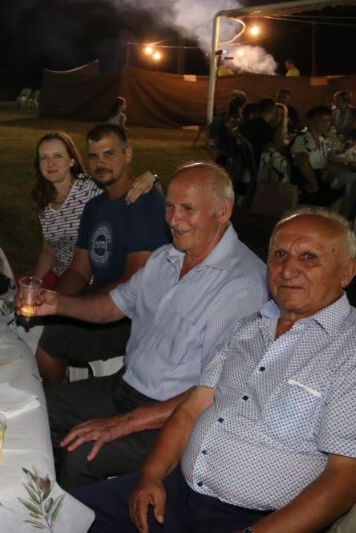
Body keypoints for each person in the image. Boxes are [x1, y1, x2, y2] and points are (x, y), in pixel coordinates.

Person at [74, 208, 356, 533]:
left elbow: (345, 478)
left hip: (254, 521)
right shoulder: (249, 328)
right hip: (177, 492)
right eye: (280, 254)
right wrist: (151, 476)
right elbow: (190, 410)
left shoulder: (347, 350)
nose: (288, 269)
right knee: (59, 515)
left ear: (346, 272)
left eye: (309, 257)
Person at [25, 162, 268, 489]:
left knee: (82, 455)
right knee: (36, 409)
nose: (174, 219)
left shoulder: (243, 286)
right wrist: (58, 303)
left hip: (172, 416)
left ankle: (79, 508)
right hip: (124, 386)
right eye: (169, 207)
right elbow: (112, 306)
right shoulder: (165, 258)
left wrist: (123, 423)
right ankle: (39, 496)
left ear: (222, 211)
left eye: (187, 209)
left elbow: (217, 392)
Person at [33, 126, 168, 386]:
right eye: (93, 156)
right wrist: (52, 298)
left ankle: (58, 400)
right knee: (32, 329)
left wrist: (74, 306)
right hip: (102, 301)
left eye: (109, 153)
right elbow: (78, 271)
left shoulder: (144, 203)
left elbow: (133, 282)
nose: (100, 163)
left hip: (136, 318)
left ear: (127, 154)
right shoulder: (94, 207)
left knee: (50, 343)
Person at [290, 105, 356, 216]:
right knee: (338, 196)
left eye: (328, 120)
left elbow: (323, 162)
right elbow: (302, 162)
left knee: (343, 189)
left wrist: (345, 166)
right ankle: (329, 222)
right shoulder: (302, 139)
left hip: (316, 180)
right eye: (322, 120)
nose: (326, 123)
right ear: (309, 121)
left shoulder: (321, 140)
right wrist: (313, 182)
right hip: (302, 184)